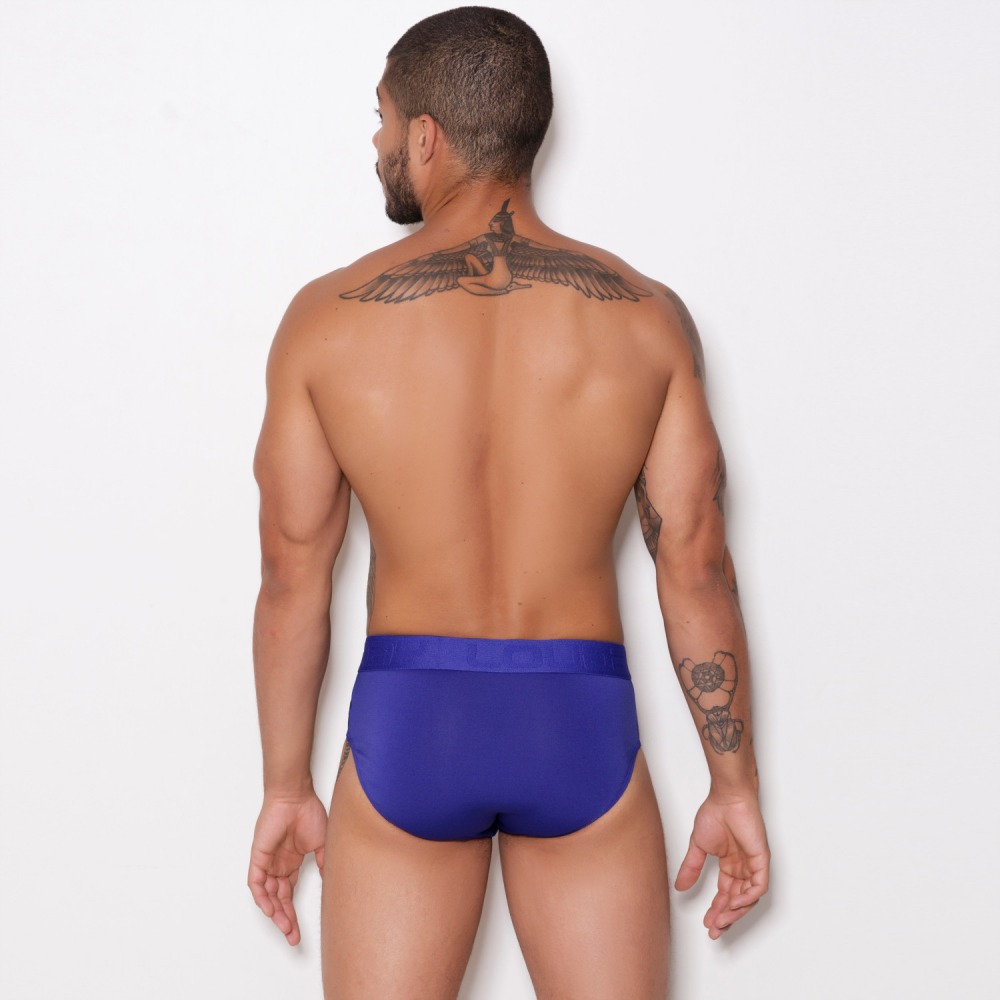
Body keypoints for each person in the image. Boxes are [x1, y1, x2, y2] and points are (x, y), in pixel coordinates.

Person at [247, 7, 769, 998]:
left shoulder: (325, 323)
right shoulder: (647, 320)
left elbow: (290, 574)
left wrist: (284, 784)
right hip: (577, 718)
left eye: (381, 118)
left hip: (412, 716)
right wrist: (733, 786)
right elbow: (695, 563)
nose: (376, 142)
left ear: (426, 136)